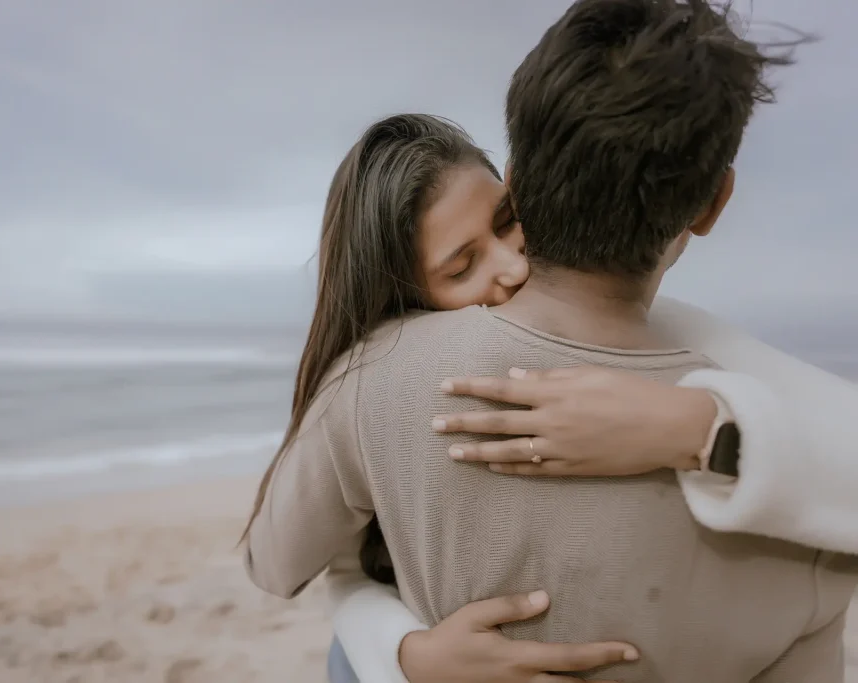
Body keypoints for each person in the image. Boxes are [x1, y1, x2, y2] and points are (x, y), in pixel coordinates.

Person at [244, 1, 858, 682]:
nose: (505, 270)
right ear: (713, 202)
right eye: (459, 266)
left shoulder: (372, 378)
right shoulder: (815, 520)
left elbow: (272, 564)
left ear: (518, 177)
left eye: (504, 227)